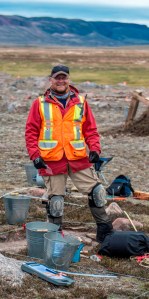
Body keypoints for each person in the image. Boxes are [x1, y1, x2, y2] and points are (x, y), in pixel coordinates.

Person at [25, 64, 113, 242]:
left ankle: (105, 231)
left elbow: (90, 129)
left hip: (78, 158)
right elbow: (31, 131)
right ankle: (56, 236)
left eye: (63, 77)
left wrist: (95, 149)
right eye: (57, 78)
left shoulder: (81, 102)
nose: (60, 81)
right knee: (55, 200)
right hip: (52, 160)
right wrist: (35, 155)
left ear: (68, 79)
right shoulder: (40, 103)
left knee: (97, 191)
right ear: (50, 80)